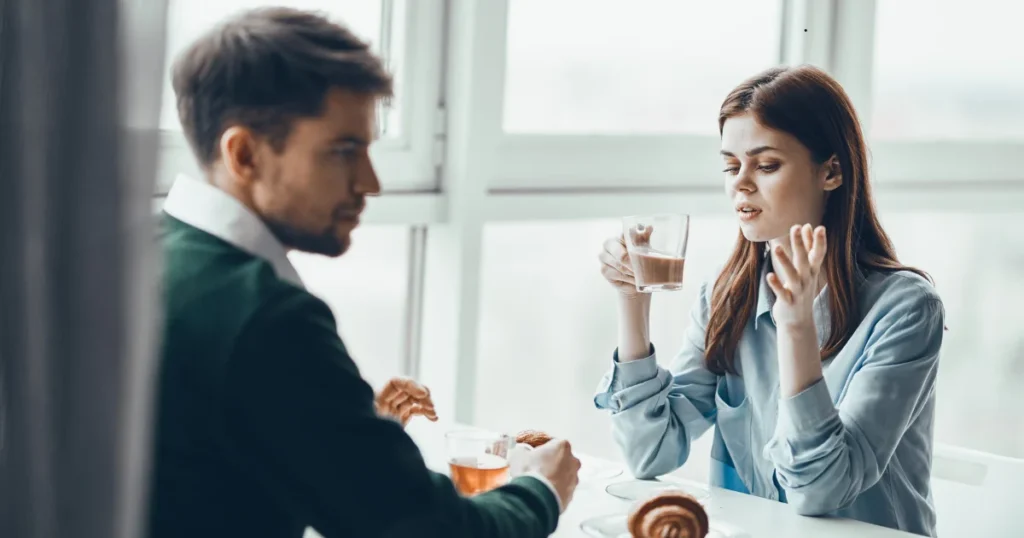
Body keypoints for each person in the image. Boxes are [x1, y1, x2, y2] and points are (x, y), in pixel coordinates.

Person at [149, 8, 579, 538]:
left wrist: (348, 428)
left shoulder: (136, 255)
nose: (371, 182)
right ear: (244, 154)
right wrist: (540, 489)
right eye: (344, 151)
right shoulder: (269, 319)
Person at [595, 65, 944, 537]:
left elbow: (819, 491)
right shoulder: (727, 296)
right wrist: (632, 302)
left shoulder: (905, 309)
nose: (740, 184)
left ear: (832, 171)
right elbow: (649, 453)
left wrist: (796, 328)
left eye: (765, 165)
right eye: (729, 165)